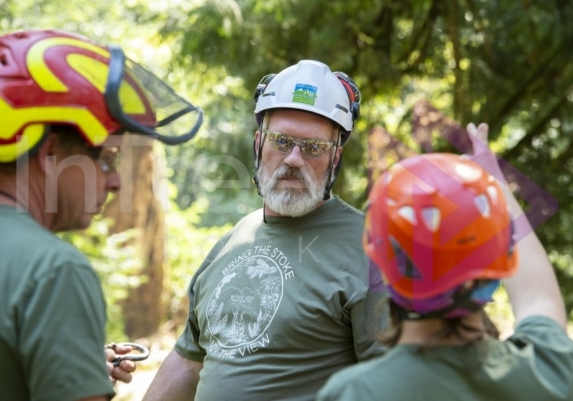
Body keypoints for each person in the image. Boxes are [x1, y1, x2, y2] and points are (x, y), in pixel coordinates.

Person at [143, 59, 387, 401]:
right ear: (259, 143)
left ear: (335, 158)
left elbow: (397, 380)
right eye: (282, 141)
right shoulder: (234, 240)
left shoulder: (371, 250)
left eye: (314, 148)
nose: (294, 159)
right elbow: (187, 362)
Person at [0, 29, 203, 401]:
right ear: (49, 154)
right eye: (107, 160)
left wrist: (75, 365)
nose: (115, 183)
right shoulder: (54, 272)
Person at [316, 122, 573, 401]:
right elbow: (538, 298)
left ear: (385, 268)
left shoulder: (353, 393)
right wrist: (492, 182)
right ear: (495, 266)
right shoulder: (548, 371)